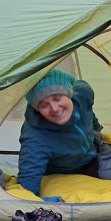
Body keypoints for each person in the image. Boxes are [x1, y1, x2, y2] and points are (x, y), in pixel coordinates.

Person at [17, 69, 102, 197]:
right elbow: (27, 185)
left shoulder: (83, 94)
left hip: (93, 155)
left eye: (57, 98)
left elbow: (88, 110)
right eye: (44, 105)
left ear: (69, 94)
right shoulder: (35, 137)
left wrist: (97, 129)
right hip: (65, 172)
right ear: (37, 109)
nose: (55, 109)